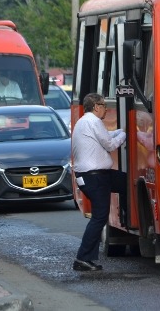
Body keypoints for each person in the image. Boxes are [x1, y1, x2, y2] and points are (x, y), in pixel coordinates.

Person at [71, 93, 127, 272]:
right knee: (99, 217)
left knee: (127, 183)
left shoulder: (84, 121)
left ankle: (127, 218)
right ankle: (82, 258)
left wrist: (121, 131)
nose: (106, 108)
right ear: (96, 106)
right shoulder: (94, 122)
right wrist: (125, 135)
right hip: (95, 177)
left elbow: (106, 135)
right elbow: (110, 145)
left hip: (96, 175)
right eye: (103, 105)